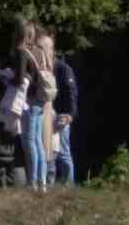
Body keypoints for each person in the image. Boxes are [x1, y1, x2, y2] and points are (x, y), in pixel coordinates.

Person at [13, 25, 82, 191]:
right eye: (40, 47)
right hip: (44, 113)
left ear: (52, 49)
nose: (43, 51)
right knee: (43, 147)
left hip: (61, 116)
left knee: (63, 154)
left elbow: (72, 94)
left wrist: (70, 115)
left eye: (46, 47)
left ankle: (68, 187)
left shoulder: (62, 68)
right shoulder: (40, 66)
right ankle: (48, 185)